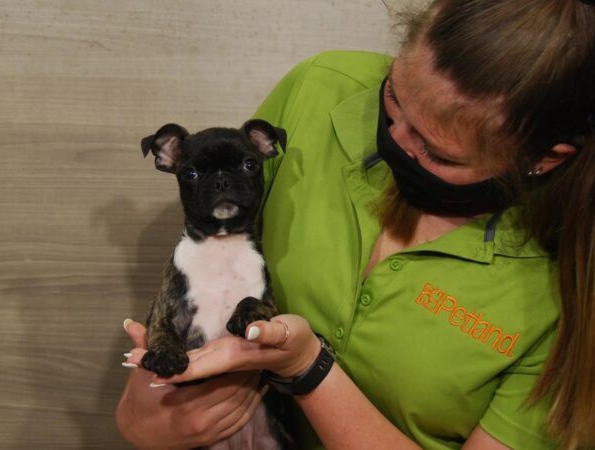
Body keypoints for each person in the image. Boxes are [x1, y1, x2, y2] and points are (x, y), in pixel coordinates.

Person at [116, 0, 595, 448]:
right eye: (393, 101)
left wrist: (309, 369)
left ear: (542, 160)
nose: (395, 140)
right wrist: (147, 415)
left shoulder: (563, 289)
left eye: (437, 151)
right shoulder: (319, 90)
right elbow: (211, 260)